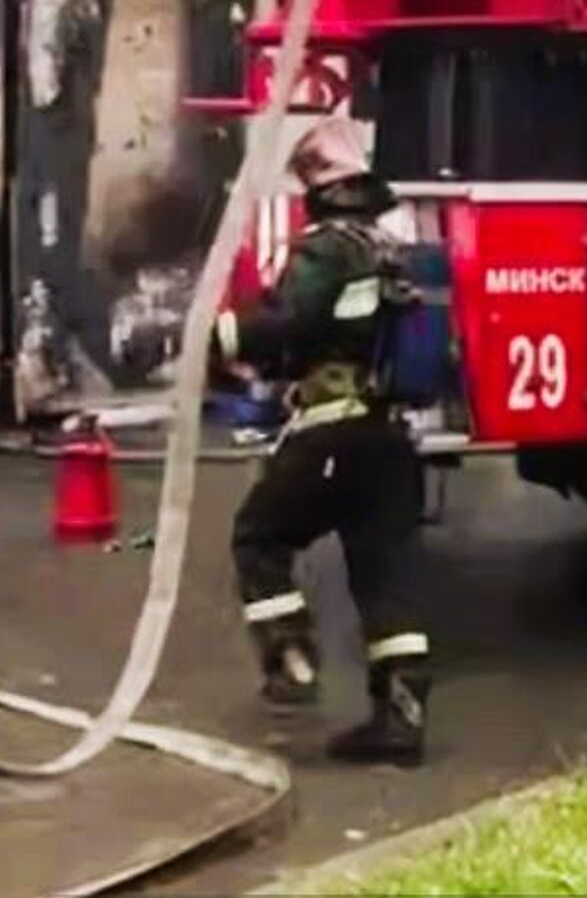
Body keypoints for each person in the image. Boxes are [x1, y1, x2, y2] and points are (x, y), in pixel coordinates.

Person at [214, 119, 431, 766]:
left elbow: (290, 325)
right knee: (383, 575)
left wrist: (215, 336)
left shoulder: (326, 250)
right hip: (392, 440)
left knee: (259, 534)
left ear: (317, 190)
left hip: (334, 433)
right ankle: (401, 721)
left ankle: (290, 657)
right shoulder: (392, 249)